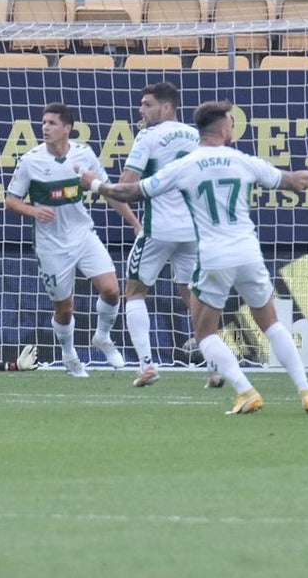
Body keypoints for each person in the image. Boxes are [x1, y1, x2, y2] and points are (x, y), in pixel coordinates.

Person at [80, 100, 308, 416]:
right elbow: (297, 182)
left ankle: (246, 391)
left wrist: (93, 183)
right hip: (248, 253)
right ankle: (307, 392)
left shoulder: (184, 165)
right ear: (223, 127)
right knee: (271, 322)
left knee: (204, 334)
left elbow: (129, 192)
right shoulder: (242, 160)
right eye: (231, 121)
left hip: (213, 257)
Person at [5, 102, 141, 377]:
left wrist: (136, 224)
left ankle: (102, 337)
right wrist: (33, 210)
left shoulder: (84, 154)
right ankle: (69, 355)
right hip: (51, 245)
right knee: (64, 308)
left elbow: (109, 191)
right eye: (43, 122)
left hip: (83, 235)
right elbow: (10, 201)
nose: (45, 127)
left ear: (67, 128)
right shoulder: (31, 160)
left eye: (52, 123)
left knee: (113, 291)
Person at [117, 82, 199, 388]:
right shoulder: (196, 135)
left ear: (167, 107)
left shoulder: (148, 136)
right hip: (193, 231)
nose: (141, 110)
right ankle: (216, 364)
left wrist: (105, 188)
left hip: (158, 229)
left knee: (135, 292)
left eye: (147, 104)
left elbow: (127, 184)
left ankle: (146, 365)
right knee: (194, 296)